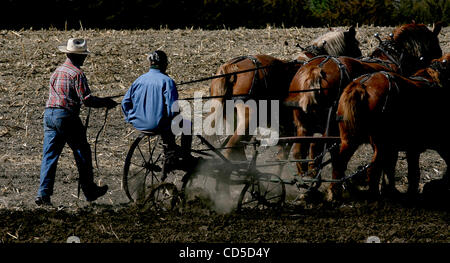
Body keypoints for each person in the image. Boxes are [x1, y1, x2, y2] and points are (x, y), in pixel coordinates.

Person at [35, 38, 118, 206]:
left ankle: (43, 194)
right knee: (82, 152)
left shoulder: (57, 71)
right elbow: (86, 100)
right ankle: (89, 190)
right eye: (84, 56)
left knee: (50, 156)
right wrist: (105, 102)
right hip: (66, 116)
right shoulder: (77, 74)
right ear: (79, 57)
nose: (85, 59)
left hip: (49, 114)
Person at [121, 50, 194, 171]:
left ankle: (171, 149)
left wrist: (130, 117)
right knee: (186, 124)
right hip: (158, 125)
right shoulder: (167, 81)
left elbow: (125, 102)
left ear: (150, 63)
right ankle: (184, 157)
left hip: (138, 124)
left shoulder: (139, 80)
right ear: (164, 64)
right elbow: (172, 109)